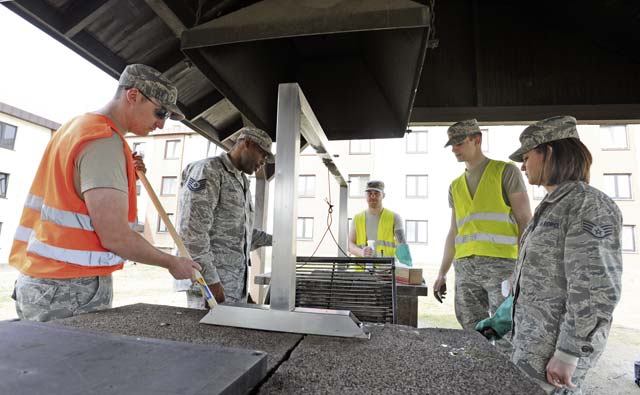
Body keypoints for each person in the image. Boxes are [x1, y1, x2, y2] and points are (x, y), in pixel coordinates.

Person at [9, 64, 201, 322]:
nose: (161, 123)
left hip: (46, 283)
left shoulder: (76, 128)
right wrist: (171, 262)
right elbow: (115, 236)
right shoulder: (103, 140)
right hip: (68, 289)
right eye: (160, 111)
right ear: (133, 96)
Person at [508, 115, 622, 394]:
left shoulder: (588, 205)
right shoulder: (551, 205)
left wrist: (570, 353)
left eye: (526, 156)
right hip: (534, 346)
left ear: (549, 151)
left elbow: (595, 289)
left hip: (555, 353)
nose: (523, 166)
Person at [432, 119, 532, 333]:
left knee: (505, 327)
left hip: (502, 266)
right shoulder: (455, 186)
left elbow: (525, 219)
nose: (454, 149)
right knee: (471, 329)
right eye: (452, 145)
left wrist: (521, 267)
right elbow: (454, 232)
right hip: (465, 267)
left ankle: (504, 368)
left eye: (459, 143)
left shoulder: (505, 172)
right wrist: (442, 272)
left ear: (477, 139)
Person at [176, 127, 273, 307]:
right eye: (262, 154)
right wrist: (211, 282)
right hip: (208, 288)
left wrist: (278, 240)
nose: (263, 162)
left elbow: (241, 234)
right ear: (247, 143)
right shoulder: (208, 170)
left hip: (231, 288)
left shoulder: (241, 180)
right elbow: (191, 232)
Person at [348, 180, 413, 267]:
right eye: (369, 193)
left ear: (383, 195)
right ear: (365, 196)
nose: (373, 196)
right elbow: (349, 244)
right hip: (361, 273)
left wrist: (408, 269)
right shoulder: (357, 218)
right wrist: (362, 252)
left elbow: (402, 245)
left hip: (386, 272)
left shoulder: (394, 218)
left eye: (377, 193)